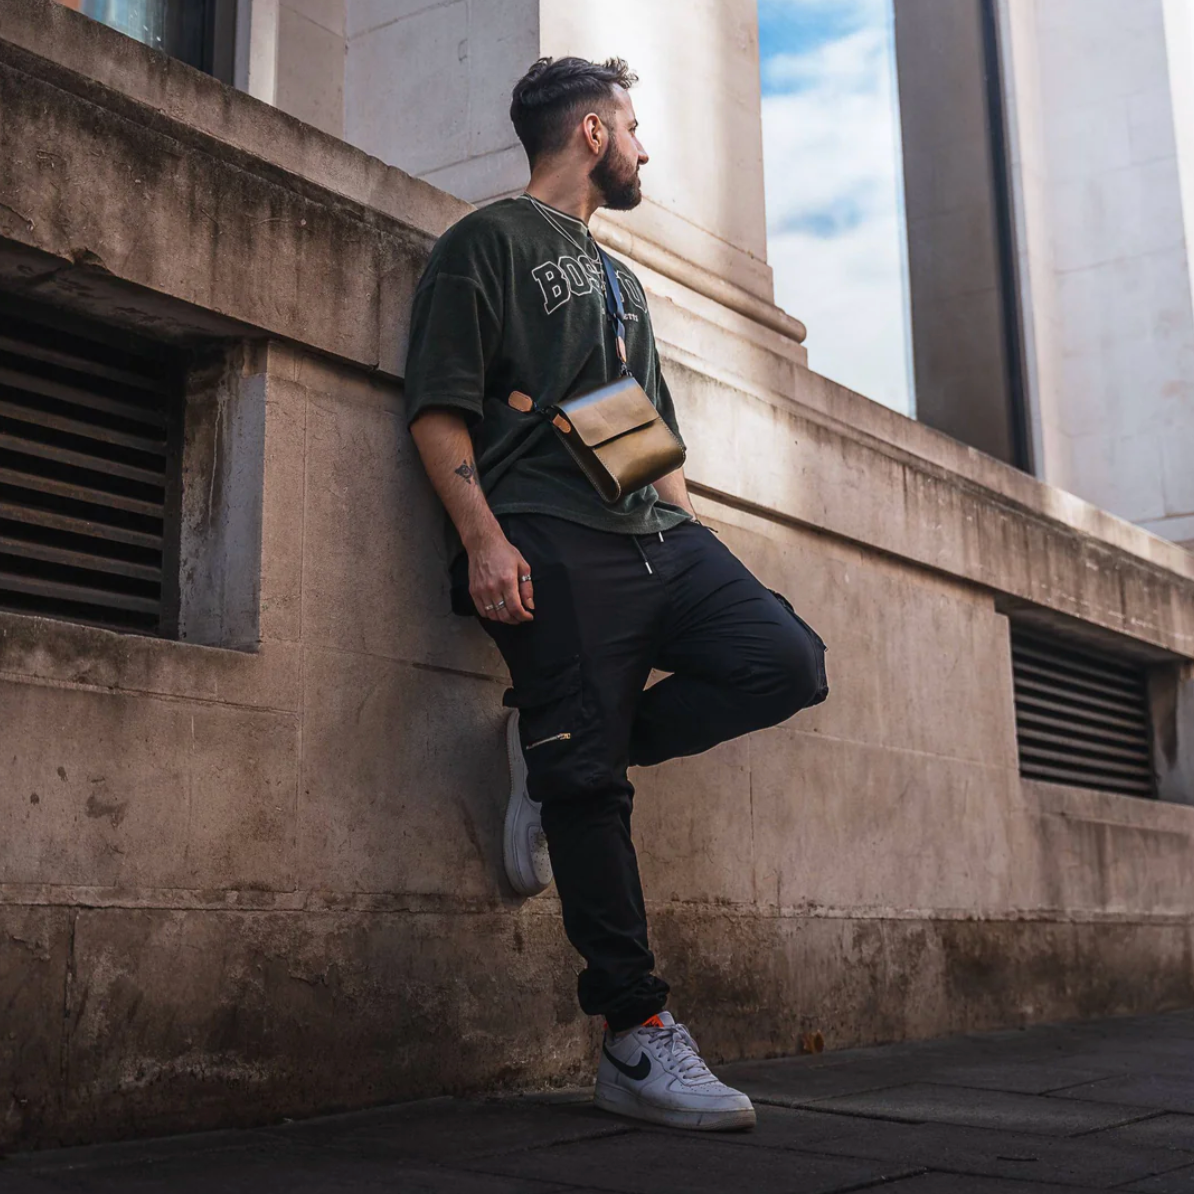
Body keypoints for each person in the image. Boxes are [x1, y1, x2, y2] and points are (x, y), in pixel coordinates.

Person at [405, 55, 828, 1133]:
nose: (646, 148)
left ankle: (556, 749)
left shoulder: (620, 281)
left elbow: (639, 428)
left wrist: (697, 535)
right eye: (634, 127)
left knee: (786, 661)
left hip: (654, 528)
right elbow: (438, 410)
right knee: (588, 783)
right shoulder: (485, 243)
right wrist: (485, 540)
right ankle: (636, 1039)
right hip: (549, 533)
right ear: (591, 132)